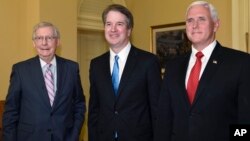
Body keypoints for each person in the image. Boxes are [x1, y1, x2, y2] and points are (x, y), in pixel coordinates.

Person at [154, 1, 250, 141]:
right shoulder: (173, 66)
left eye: (201, 19)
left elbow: (245, 119)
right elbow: (164, 119)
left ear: (216, 24)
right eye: (190, 20)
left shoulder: (240, 63)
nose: (194, 26)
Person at [88, 4, 162, 141]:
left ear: (129, 30)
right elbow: (94, 110)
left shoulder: (148, 62)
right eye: (109, 24)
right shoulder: (96, 64)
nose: (113, 29)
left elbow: (157, 110)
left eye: (119, 24)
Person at [2, 22, 86, 141]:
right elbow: (11, 112)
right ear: (34, 43)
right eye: (39, 38)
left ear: (57, 41)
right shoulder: (20, 70)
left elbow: (79, 105)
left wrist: (74, 134)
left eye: (49, 38)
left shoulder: (71, 68)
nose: (44, 42)